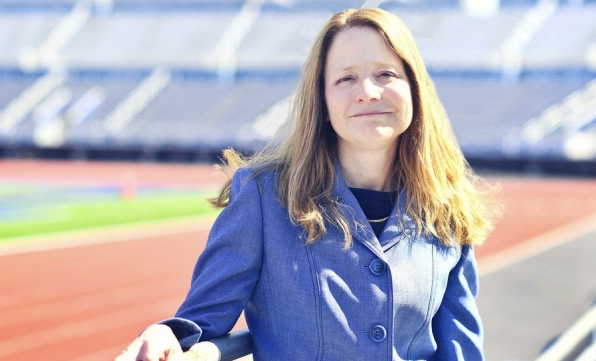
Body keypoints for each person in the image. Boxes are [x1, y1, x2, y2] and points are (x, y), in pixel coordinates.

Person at [117, 7, 500, 361]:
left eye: (386, 73)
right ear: (323, 100)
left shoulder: (447, 208)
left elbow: (461, 350)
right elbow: (202, 317)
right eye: (346, 78)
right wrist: (168, 334)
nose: (367, 91)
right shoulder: (263, 195)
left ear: (414, 88)